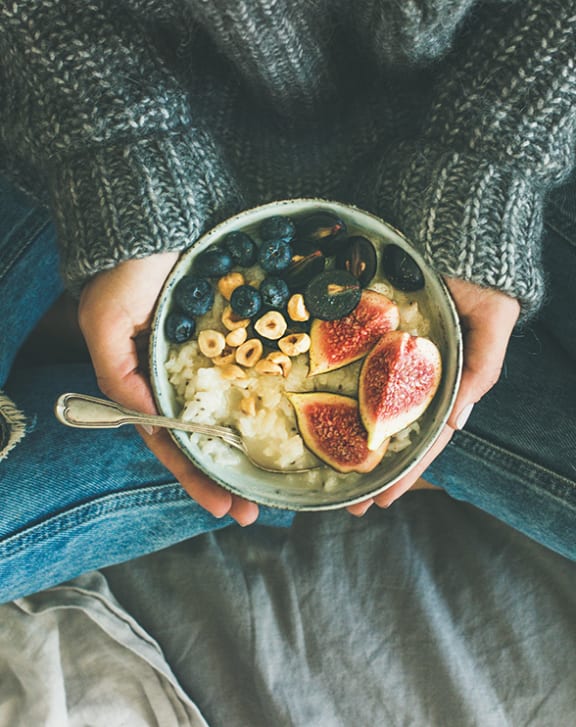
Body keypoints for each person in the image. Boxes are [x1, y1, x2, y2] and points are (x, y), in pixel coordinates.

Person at [1, 0, 575, 602]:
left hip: (478, 106)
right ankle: (261, 470)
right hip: (102, 109)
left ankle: (246, 467)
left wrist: (489, 158)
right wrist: (121, 157)